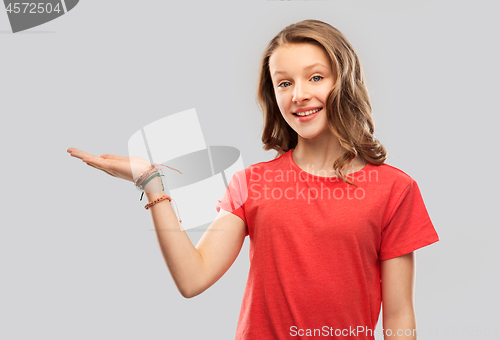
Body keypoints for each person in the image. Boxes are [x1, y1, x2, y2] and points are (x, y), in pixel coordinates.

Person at [67, 19, 439, 340]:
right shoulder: (253, 184)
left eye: (315, 77)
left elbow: (399, 317)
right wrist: (151, 182)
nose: (300, 94)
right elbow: (192, 277)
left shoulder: (394, 189)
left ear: (344, 81)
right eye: (284, 83)